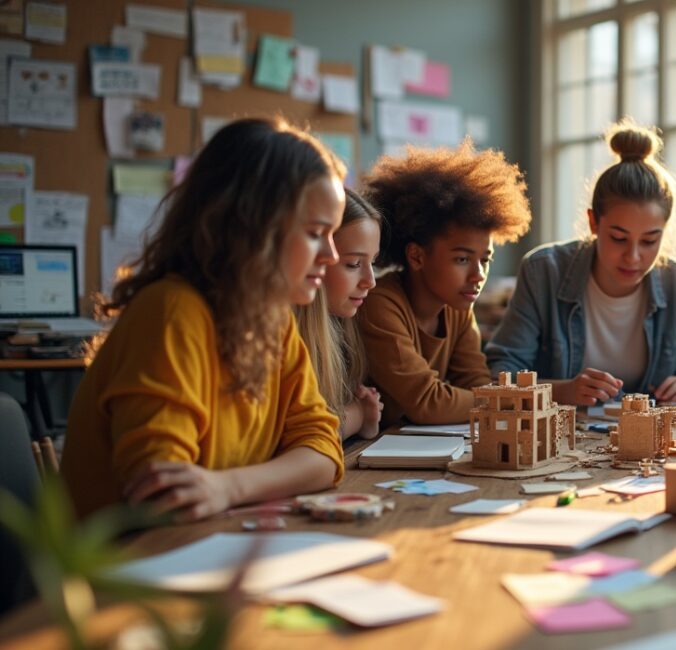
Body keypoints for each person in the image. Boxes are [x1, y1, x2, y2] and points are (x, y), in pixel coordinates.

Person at [61, 117, 346, 522]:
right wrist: (236, 488)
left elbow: (323, 450)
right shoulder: (171, 313)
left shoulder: (272, 319)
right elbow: (166, 497)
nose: (331, 255)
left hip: (210, 545)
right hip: (129, 567)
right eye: (317, 232)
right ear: (253, 227)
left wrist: (228, 488)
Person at [486, 120, 676, 405]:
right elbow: (500, 373)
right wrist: (562, 391)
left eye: (649, 241)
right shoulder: (543, 271)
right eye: (619, 238)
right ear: (593, 222)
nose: (633, 257)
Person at [360, 142, 532, 427]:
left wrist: (492, 399)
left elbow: (477, 384)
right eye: (463, 259)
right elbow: (428, 404)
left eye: (485, 260)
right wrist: (513, 399)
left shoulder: (457, 306)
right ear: (416, 256)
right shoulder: (379, 304)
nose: (478, 275)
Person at [295, 188, 384, 441]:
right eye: (354, 264)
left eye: (373, 263)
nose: (370, 281)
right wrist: (358, 414)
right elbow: (302, 440)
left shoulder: (343, 330)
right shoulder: (284, 336)